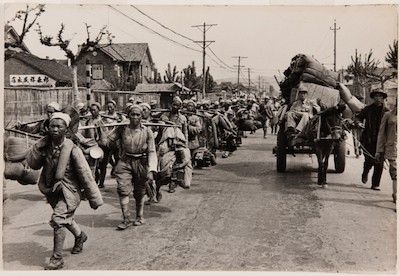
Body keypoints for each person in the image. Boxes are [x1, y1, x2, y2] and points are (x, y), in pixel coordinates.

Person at [25, 112, 103, 270]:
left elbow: (86, 175)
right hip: (52, 190)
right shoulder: (46, 147)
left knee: (58, 219)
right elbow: (34, 165)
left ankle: (57, 258)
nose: (54, 129)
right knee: (65, 219)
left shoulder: (73, 150)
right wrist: (37, 148)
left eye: (59, 127)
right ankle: (80, 236)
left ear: (66, 130)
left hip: (70, 192)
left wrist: (94, 199)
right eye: (52, 126)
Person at [100, 104, 157, 230]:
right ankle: (126, 218)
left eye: (138, 115)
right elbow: (108, 143)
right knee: (123, 189)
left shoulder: (147, 131)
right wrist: (103, 132)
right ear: (128, 116)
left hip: (141, 162)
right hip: (125, 161)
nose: (135, 117)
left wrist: (151, 169)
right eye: (133, 114)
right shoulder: (122, 129)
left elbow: (152, 152)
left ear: (142, 116)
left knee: (139, 191)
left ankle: (139, 216)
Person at [355, 89, 389, 190]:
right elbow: (358, 117)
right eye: (376, 96)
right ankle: (365, 172)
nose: (378, 98)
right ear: (373, 98)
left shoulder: (387, 111)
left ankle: (375, 184)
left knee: (379, 162)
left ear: (383, 98)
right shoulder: (368, 109)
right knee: (369, 160)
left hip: (382, 140)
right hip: (369, 138)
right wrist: (358, 123)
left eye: (380, 96)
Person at [375, 102, 397, 202]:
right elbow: (381, 134)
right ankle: (397, 196)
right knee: (395, 173)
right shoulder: (388, 115)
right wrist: (379, 150)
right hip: (392, 148)